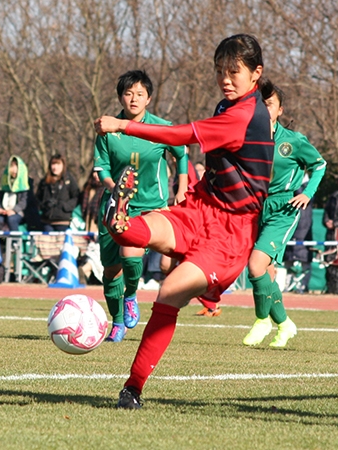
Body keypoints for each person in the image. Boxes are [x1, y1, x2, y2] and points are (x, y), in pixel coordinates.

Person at [95, 34, 273, 408]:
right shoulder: (231, 104)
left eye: (234, 71)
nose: (225, 78)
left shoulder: (242, 115)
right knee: (147, 228)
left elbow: (179, 136)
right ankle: (121, 223)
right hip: (201, 206)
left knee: (170, 290)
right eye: (220, 71)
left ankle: (133, 387)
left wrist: (122, 126)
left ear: (256, 73)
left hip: (231, 232)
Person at [94, 70, 188, 343]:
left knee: (130, 252)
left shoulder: (160, 126)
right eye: (128, 93)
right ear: (120, 97)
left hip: (150, 208)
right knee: (111, 271)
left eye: (139, 94)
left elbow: (181, 152)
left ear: (148, 98)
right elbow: (102, 170)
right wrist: (117, 191)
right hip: (114, 207)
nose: (133, 98)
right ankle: (117, 321)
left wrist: (181, 188)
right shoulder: (108, 129)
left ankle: (132, 294)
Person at [242, 81, 326, 347]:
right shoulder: (247, 137)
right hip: (256, 207)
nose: (264, 109)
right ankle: (285, 324)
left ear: (280, 110)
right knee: (266, 271)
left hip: (284, 208)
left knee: (255, 265)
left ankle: (262, 319)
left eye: (269, 104)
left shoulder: (293, 141)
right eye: (260, 104)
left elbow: (320, 165)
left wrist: (307, 192)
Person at [35, 153, 80, 232]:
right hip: (47, 221)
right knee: (47, 243)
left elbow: (76, 197)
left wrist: (64, 206)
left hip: (63, 221)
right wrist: (44, 205)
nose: (55, 167)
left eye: (58, 164)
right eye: (53, 164)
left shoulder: (69, 180)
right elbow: (38, 198)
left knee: (62, 244)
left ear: (63, 165)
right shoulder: (45, 181)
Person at [0, 155, 30, 232]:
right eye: (11, 166)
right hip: (4, 211)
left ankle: (15, 241)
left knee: (11, 219)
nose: (14, 169)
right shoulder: (4, 183)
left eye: (16, 166)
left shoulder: (24, 184)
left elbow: (24, 202)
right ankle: (0, 242)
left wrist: (14, 210)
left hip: (19, 212)